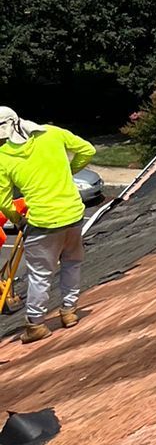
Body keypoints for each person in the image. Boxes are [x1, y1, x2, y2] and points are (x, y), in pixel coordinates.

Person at [0, 109, 95, 343]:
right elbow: (87, 150)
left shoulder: (3, 157)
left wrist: (17, 219)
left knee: (40, 275)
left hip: (42, 222)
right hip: (73, 215)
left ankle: (36, 325)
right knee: (72, 263)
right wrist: (67, 173)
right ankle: (69, 312)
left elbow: (3, 200)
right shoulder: (52, 133)